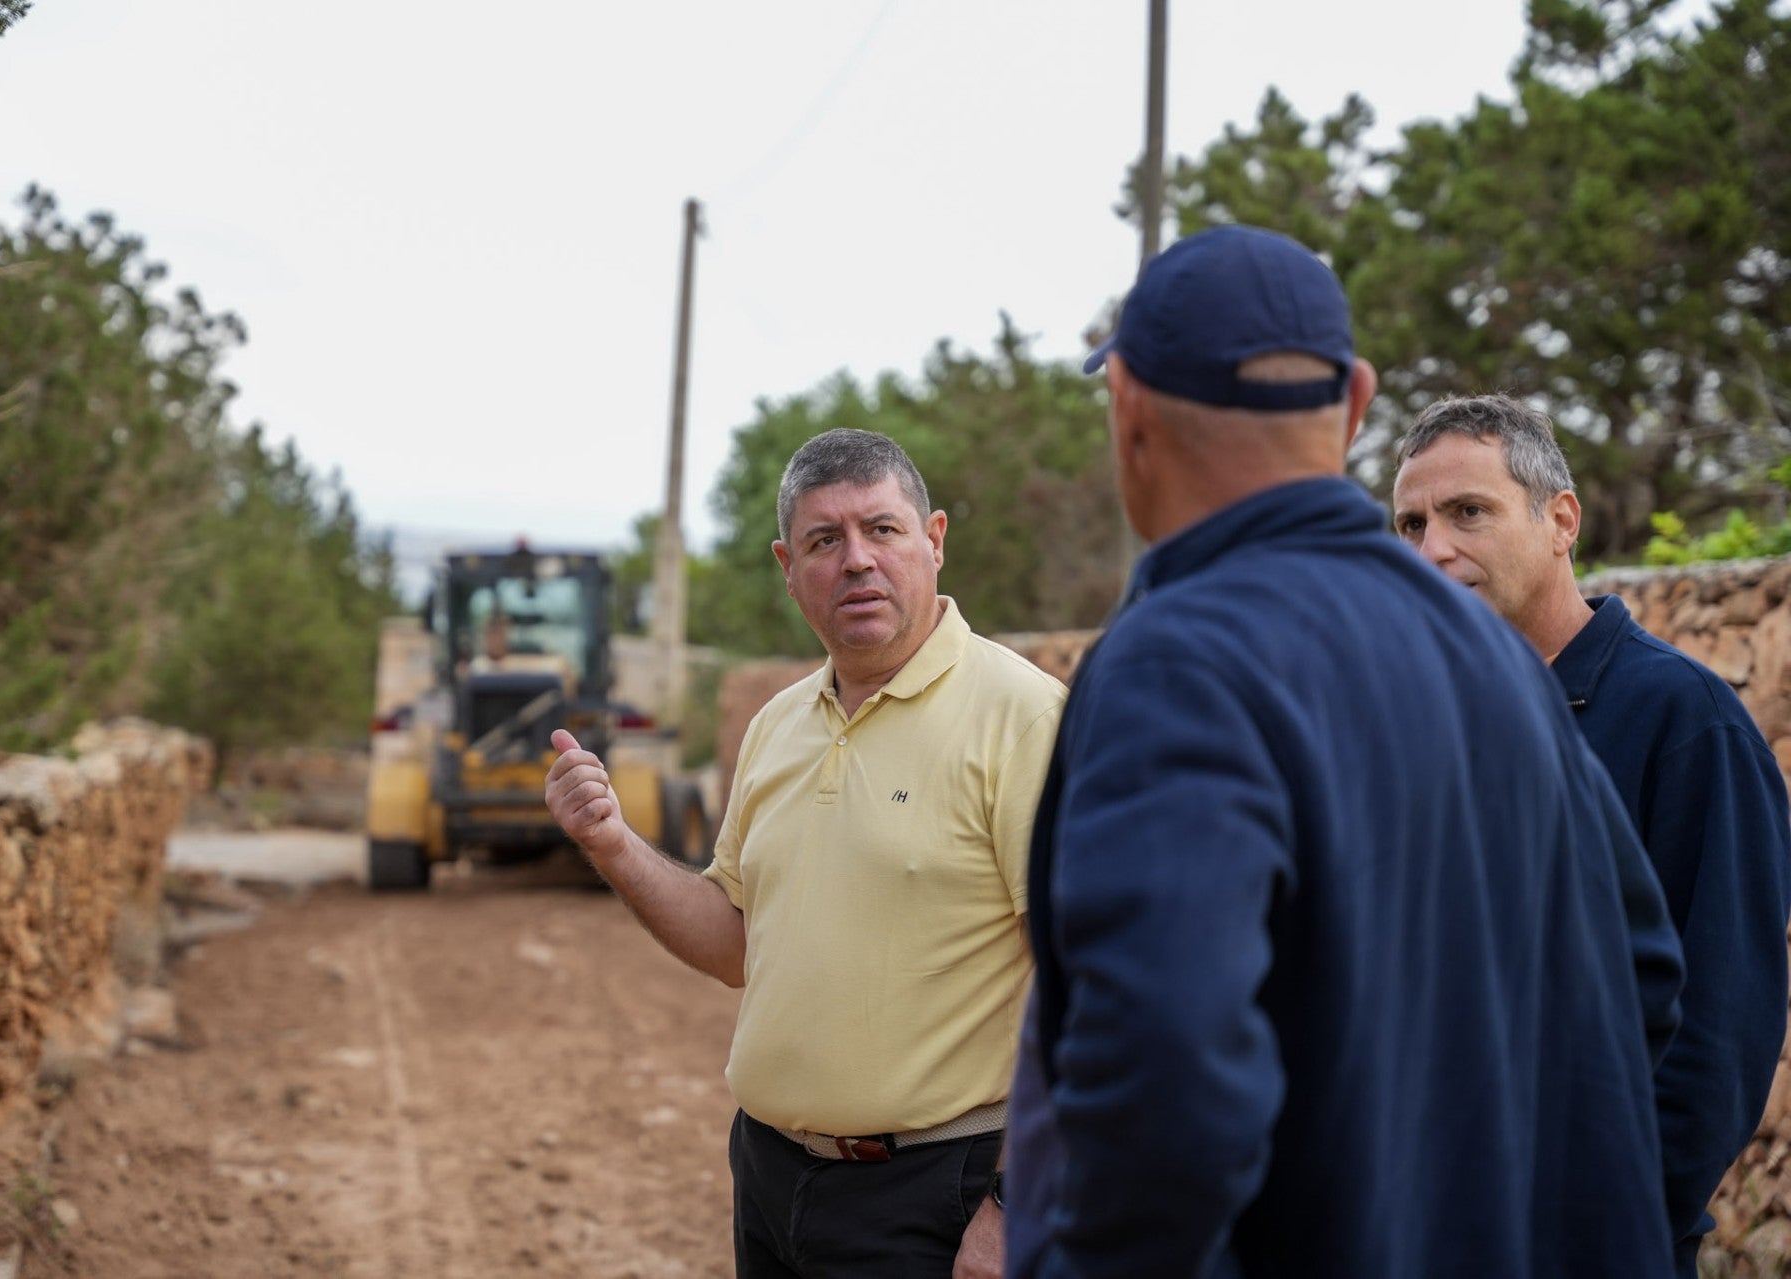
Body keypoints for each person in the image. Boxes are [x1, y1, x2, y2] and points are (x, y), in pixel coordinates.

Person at [1004, 224, 1685, 1279]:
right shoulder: (1496, 659)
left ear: (1128, 405)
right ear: (1357, 402)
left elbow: (1165, 1088)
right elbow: (1640, 973)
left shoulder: (1176, 661)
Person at [546, 428, 1065, 1278]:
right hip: (769, 1174)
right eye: (825, 540)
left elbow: (1084, 982)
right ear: (789, 568)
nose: (857, 560)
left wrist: (1016, 1203)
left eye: (882, 529)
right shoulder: (776, 725)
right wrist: (612, 842)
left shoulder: (1027, 720)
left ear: (934, 539)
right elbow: (734, 944)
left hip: (939, 1193)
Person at [1392, 392, 1791, 1276]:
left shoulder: (1687, 723)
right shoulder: (1417, 726)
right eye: (1411, 524)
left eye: (1467, 512)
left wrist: (1592, 1223)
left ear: (1561, 521)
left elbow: (1720, 1041)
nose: (1432, 550)